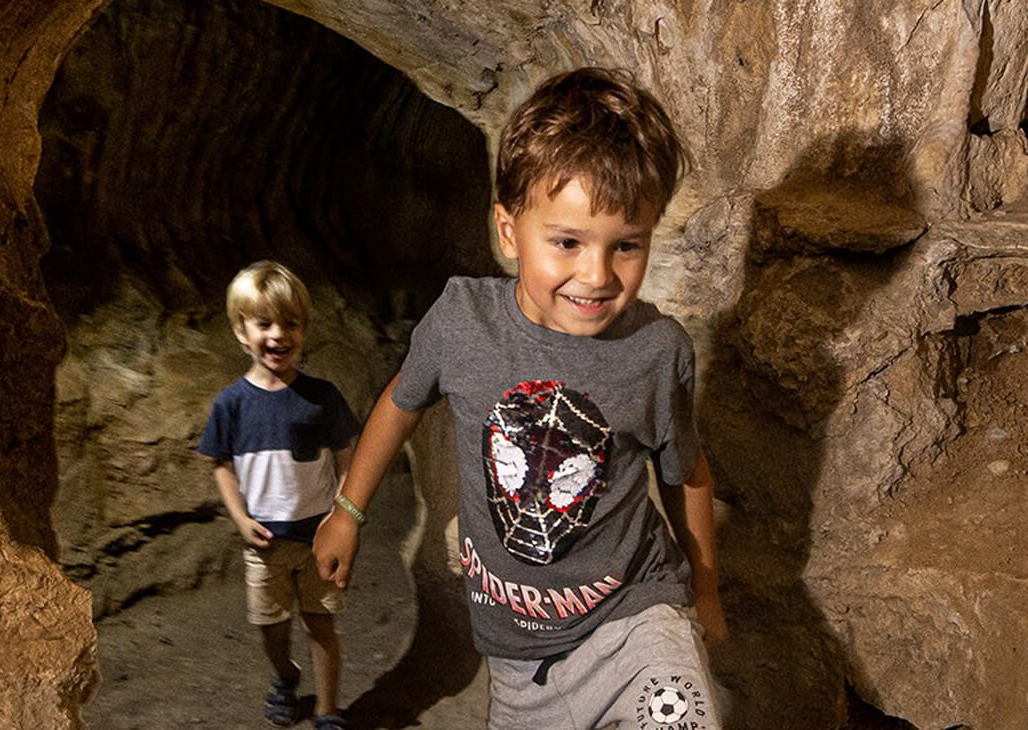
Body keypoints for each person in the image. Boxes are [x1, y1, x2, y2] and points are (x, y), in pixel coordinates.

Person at [314, 68, 728, 729]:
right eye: (566, 241)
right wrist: (347, 510)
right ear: (509, 232)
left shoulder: (656, 351)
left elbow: (686, 473)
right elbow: (401, 400)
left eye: (627, 245)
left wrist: (704, 593)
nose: (596, 275)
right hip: (514, 659)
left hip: (636, 624)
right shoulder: (462, 323)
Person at [197, 260, 359, 730]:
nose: (277, 334)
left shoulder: (321, 397)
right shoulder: (231, 404)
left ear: (303, 330)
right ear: (241, 332)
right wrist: (241, 518)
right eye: (263, 323)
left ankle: (328, 710)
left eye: (290, 323)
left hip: (318, 539)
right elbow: (221, 464)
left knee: (321, 623)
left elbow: (347, 453)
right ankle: (286, 676)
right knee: (270, 627)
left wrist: (343, 515)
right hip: (264, 543)